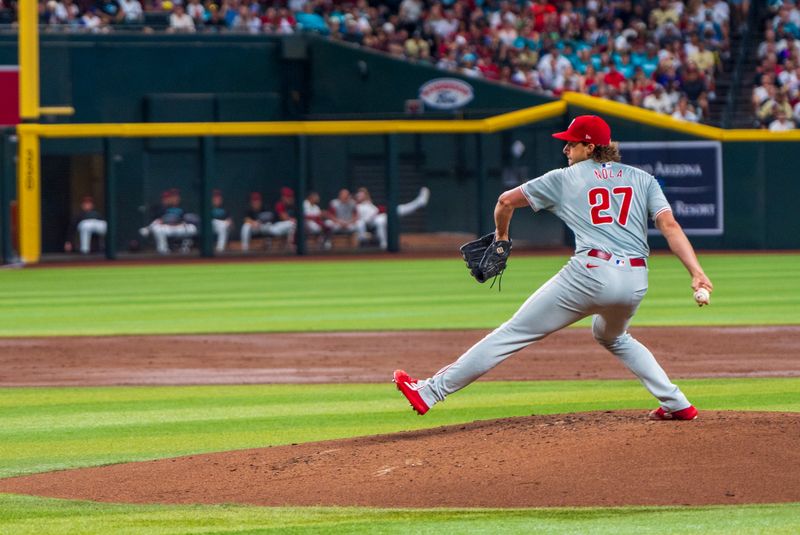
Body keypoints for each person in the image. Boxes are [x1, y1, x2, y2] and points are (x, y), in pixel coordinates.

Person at [394, 115, 713, 421]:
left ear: (590, 148)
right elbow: (669, 225)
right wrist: (696, 272)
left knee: (513, 333)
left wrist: (502, 237)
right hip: (634, 281)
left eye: (572, 143)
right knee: (613, 336)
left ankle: (430, 391)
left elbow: (505, 201)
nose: (565, 149)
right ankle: (676, 403)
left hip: (590, 273)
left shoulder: (563, 178)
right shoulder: (643, 179)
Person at [354, 186, 430, 250]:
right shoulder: (357, 206)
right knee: (381, 220)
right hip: (370, 222)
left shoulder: (368, 203)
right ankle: (384, 244)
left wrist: (379, 212)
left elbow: (376, 210)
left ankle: (419, 202)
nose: (360, 196)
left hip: (378, 217)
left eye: (362, 195)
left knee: (398, 209)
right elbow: (362, 219)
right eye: (359, 195)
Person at [149, 189, 197, 254]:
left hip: (179, 227)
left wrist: (182, 221)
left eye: (176, 197)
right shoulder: (159, 207)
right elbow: (157, 219)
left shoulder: (182, 207)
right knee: (157, 228)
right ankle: (163, 250)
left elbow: (188, 218)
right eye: (173, 197)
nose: (176, 198)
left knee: (192, 228)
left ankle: (185, 248)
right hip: (166, 228)